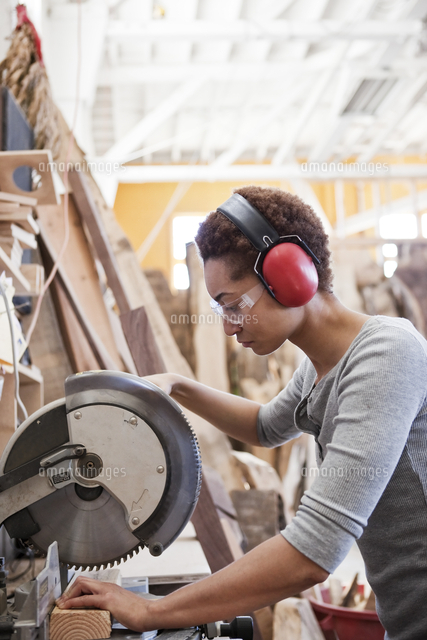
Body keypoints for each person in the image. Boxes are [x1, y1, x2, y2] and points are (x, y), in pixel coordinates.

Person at [57, 186, 427, 640]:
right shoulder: (319, 365)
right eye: (220, 309)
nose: (229, 326)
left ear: (292, 276)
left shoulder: (387, 355)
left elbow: (312, 554)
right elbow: (264, 425)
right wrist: (177, 386)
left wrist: (154, 611)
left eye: (235, 305)